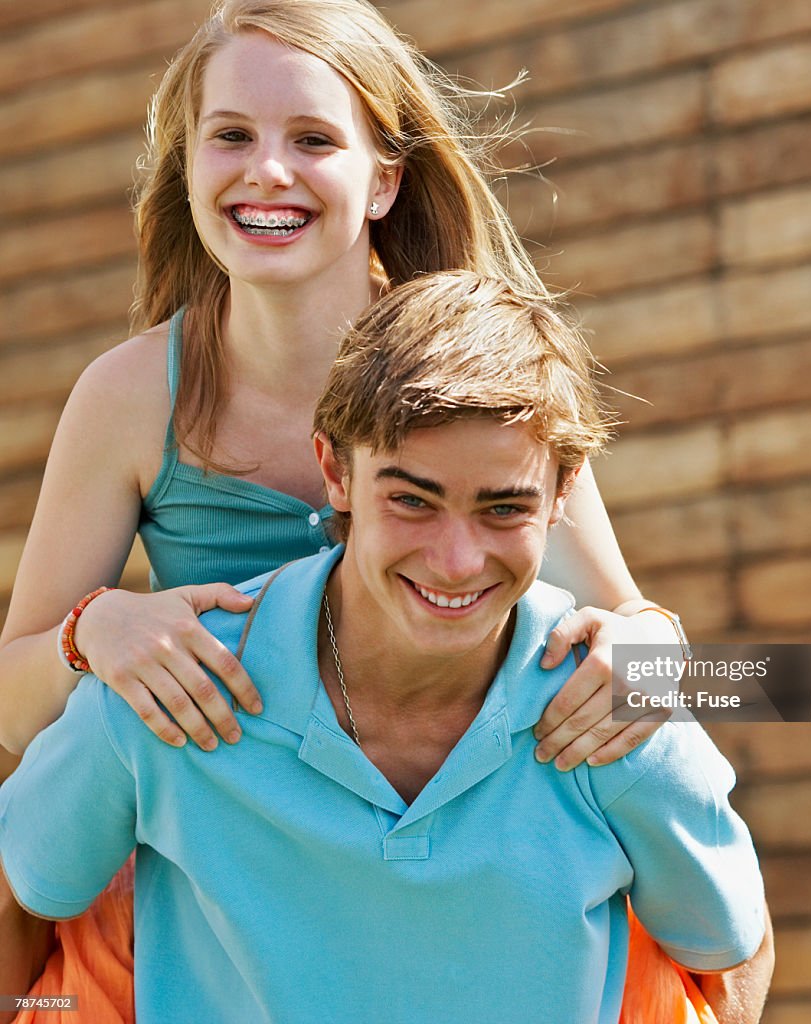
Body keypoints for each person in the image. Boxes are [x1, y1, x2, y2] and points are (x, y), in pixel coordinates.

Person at [0, 0, 698, 1017]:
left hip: (453, 874)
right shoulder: (127, 395)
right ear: (187, 164)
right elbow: (12, 706)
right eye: (229, 135)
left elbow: (663, 648)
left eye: (313, 139)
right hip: (230, 880)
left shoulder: (477, 378)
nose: (266, 171)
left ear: (384, 178)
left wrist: (653, 663)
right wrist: (91, 630)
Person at [0, 272, 772, 1024]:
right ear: (335, 470)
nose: (456, 560)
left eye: (503, 508)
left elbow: (733, 952)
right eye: (412, 499)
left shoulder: (615, 713)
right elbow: (18, 897)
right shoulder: (169, 693)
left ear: (562, 494)